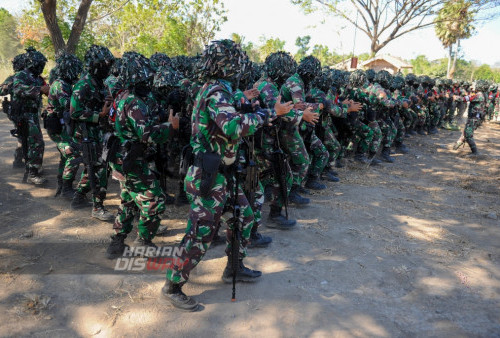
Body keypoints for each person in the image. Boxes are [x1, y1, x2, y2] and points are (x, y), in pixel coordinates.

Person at [162, 40, 283, 311]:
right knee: (201, 233)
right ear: (229, 65)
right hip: (209, 175)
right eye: (238, 62)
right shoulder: (216, 91)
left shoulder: (222, 90)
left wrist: (249, 102)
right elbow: (231, 125)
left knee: (245, 218)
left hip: (223, 174)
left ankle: (234, 267)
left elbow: (233, 111)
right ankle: (172, 285)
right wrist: (270, 113)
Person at [106, 52, 179, 258]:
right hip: (132, 160)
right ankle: (143, 241)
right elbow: (147, 134)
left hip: (123, 158)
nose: (149, 81)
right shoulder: (134, 102)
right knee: (155, 200)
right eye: (147, 77)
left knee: (128, 200)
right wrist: (170, 127)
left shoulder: (122, 96)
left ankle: (116, 244)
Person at [70, 45, 115, 221]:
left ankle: (79, 197)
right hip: (88, 134)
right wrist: (99, 115)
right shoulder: (83, 85)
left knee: (93, 170)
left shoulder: (100, 83)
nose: (108, 69)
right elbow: (74, 112)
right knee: (98, 171)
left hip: (100, 132)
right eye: (104, 66)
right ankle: (98, 207)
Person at [45, 52, 84, 198]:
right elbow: (68, 104)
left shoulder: (65, 83)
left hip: (62, 125)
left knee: (65, 156)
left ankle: (62, 185)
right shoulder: (60, 84)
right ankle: (66, 188)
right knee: (71, 153)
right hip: (57, 126)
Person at [12, 47, 50, 185]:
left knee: (32, 143)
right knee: (36, 143)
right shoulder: (21, 75)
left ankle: (32, 169)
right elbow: (18, 89)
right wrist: (39, 89)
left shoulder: (37, 78)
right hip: (23, 114)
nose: (41, 67)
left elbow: (46, 90)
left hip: (33, 114)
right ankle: (32, 173)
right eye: (40, 64)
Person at [0, 53, 28, 168]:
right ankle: (21, 159)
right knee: (23, 135)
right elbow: (2, 91)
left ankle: (21, 159)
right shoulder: (14, 78)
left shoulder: (29, 77)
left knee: (24, 136)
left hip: (24, 111)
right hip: (18, 112)